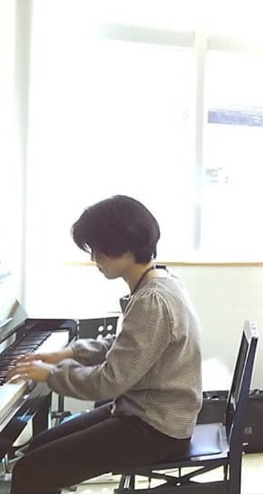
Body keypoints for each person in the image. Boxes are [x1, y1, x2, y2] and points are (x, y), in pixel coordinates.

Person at [9, 195, 203, 494]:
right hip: (145, 412)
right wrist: (68, 352)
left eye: (97, 249)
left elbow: (108, 383)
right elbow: (128, 346)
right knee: (38, 447)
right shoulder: (160, 281)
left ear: (122, 246)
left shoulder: (152, 300)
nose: (93, 259)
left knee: (31, 470)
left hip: (156, 428)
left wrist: (50, 375)